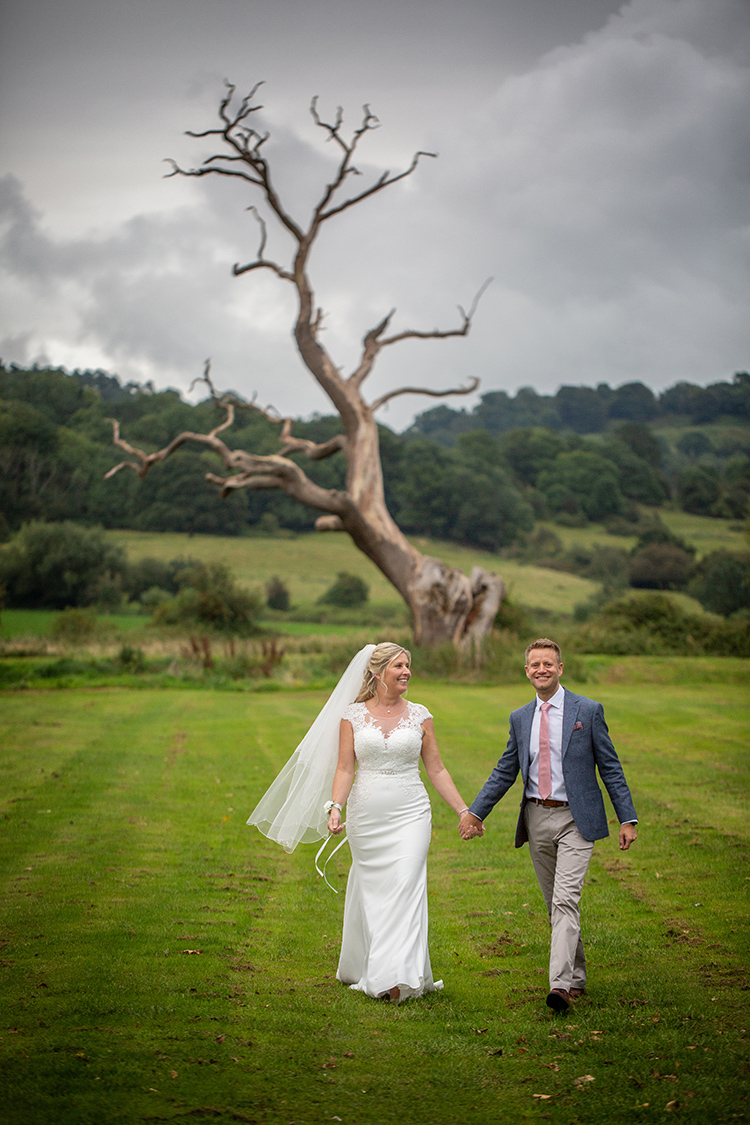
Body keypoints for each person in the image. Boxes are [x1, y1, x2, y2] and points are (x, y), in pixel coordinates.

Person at [248, 642, 476, 1003]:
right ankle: (375, 965)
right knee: (375, 892)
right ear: (377, 671)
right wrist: (334, 807)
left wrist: (464, 810)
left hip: (411, 812)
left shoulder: (420, 715)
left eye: (408, 666)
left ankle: (395, 978)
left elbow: (436, 768)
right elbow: (344, 767)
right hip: (366, 815)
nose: (406, 672)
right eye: (399, 666)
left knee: (406, 885)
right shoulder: (352, 716)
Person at [460, 638, 637, 1013]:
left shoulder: (587, 711)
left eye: (548, 664)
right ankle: (577, 977)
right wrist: (476, 812)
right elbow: (505, 770)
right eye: (534, 664)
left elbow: (610, 767)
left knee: (565, 899)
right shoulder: (520, 717)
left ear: (560, 669)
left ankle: (559, 987)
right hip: (537, 817)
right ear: (527, 671)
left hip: (578, 818)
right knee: (555, 905)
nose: (541, 669)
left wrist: (627, 817)